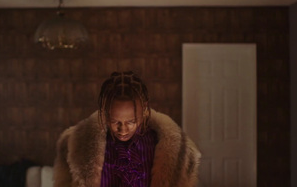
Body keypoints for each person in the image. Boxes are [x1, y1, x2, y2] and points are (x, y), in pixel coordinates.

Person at [53, 71, 201, 187]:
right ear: (104, 111)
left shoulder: (172, 149)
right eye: (114, 121)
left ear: (144, 110)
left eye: (131, 121)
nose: (122, 129)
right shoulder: (76, 146)